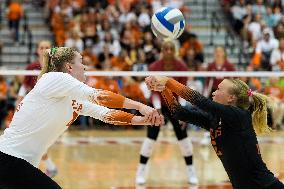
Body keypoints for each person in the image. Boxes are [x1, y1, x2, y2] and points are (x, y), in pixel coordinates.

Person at [0, 47, 163, 189]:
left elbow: (106, 114)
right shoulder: (55, 78)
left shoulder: (73, 97)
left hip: (16, 164)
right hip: (9, 158)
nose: (84, 66)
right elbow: (99, 96)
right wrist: (141, 106)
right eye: (81, 61)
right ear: (69, 66)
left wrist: (142, 120)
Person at [145, 75, 284, 189]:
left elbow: (201, 101)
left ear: (231, 98)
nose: (213, 92)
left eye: (218, 89)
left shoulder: (239, 116)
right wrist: (163, 88)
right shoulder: (214, 118)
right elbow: (179, 112)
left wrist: (169, 81)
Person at [135, 40, 198, 185]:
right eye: (166, 49)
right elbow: (153, 91)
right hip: (157, 104)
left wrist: (181, 111)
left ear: (174, 50)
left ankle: (191, 171)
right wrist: (157, 109)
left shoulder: (181, 67)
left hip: (175, 105)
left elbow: (183, 90)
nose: (168, 51)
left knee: (183, 138)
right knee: (151, 138)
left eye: (171, 49)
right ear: (162, 51)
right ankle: (141, 171)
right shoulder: (154, 67)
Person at [16, 40, 58, 178]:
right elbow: (25, 86)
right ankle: (48, 168)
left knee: (37, 142)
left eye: (47, 47)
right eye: (42, 47)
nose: (44, 50)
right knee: (34, 141)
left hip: (50, 109)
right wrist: (19, 100)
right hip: (33, 109)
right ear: (38, 50)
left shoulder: (57, 67)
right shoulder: (31, 67)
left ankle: (43, 168)